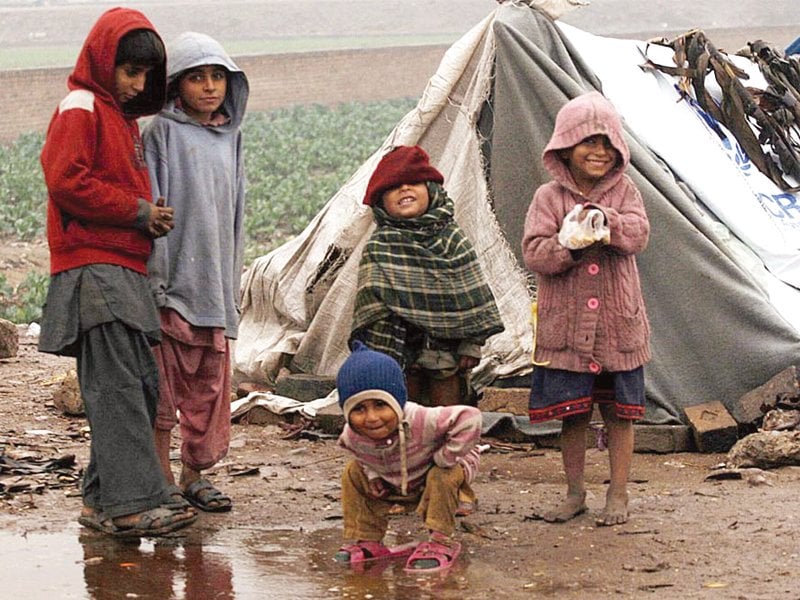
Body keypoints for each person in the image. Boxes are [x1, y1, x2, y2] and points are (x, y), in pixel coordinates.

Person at [38, 7, 196, 537]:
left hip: (119, 266)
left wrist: (145, 218)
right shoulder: (81, 107)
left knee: (135, 383)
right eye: (129, 71)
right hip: (93, 266)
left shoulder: (119, 119)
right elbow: (66, 180)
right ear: (103, 61)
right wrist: (138, 212)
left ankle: (103, 500)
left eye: (146, 75)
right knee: (119, 385)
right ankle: (129, 508)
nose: (138, 84)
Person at [520, 91, 651, 527]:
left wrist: (605, 223)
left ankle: (619, 493)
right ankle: (575, 492)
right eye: (588, 143)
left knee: (619, 414)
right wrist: (567, 245)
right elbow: (535, 252)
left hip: (617, 327)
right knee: (572, 415)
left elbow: (639, 234)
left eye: (607, 144)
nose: (599, 153)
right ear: (564, 148)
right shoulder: (548, 197)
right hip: (567, 331)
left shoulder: (626, 191)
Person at [142, 32, 249, 513]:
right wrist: (157, 283)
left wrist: (231, 286)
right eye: (197, 77)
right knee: (165, 389)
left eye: (218, 77)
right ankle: (162, 479)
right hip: (173, 288)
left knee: (209, 389)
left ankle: (194, 476)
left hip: (214, 286)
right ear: (175, 85)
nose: (209, 87)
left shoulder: (232, 138)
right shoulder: (161, 134)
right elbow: (156, 206)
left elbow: (236, 216)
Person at [350, 145, 505, 408]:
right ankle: (410, 444)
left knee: (447, 408)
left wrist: (471, 345)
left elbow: (472, 297)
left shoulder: (451, 239)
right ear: (381, 203)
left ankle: (447, 443)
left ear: (432, 191)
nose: (404, 189)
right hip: (399, 349)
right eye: (394, 186)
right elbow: (371, 306)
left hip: (446, 351)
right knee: (406, 404)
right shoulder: (380, 246)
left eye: (413, 182)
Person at [334, 341, 482, 572]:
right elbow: (359, 455)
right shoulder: (352, 436)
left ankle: (440, 541)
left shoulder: (423, 419)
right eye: (359, 409)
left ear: (397, 401)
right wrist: (372, 475)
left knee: (443, 474)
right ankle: (367, 540)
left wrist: (445, 457)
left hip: (437, 472)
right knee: (352, 472)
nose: (372, 417)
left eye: (380, 405)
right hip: (397, 476)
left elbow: (470, 418)